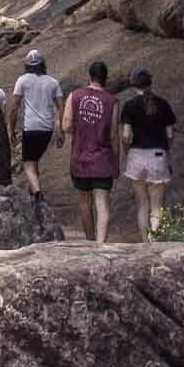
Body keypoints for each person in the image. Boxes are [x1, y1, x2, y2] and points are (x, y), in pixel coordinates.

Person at [62, 59, 119, 244]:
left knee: (85, 203)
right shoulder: (112, 101)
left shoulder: (74, 96)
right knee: (102, 204)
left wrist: (81, 129)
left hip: (80, 158)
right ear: (105, 78)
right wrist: (116, 160)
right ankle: (101, 246)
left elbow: (66, 125)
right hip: (102, 159)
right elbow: (113, 134)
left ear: (89, 77)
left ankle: (90, 241)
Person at [120, 66, 176, 241]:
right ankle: (156, 241)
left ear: (133, 85)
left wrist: (125, 151)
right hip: (158, 156)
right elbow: (170, 134)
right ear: (150, 83)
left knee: (142, 204)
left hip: (136, 156)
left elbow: (126, 135)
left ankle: (145, 244)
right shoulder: (163, 104)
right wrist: (166, 151)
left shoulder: (129, 106)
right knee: (157, 206)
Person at [7, 48, 63, 209]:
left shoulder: (23, 80)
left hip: (30, 127)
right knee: (34, 161)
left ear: (27, 65)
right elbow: (60, 107)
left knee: (28, 164)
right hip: (47, 129)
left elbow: (14, 107)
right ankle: (32, 193)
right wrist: (60, 129)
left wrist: (10, 128)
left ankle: (38, 193)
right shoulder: (53, 82)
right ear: (42, 64)